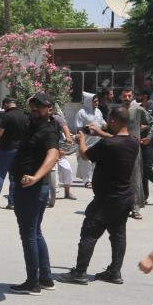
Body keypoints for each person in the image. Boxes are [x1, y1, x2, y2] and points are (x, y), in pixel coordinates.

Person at [60, 106, 139, 285]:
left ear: (112, 121)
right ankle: (115, 272)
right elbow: (118, 139)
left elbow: (85, 155)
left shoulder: (108, 144)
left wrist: (82, 139)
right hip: (125, 197)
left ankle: (79, 272)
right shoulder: (133, 142)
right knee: (118, 234)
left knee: (89, 233)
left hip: (106, 199)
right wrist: (99, 133)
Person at [9, 93, 60, 295]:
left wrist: (36, 177)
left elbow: (53, 155)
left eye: (40, 106)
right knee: (35, 232)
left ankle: (33, 282)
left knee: (28, 234)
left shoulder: (48, 131)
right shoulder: (33, 125)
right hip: (29, 188)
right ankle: (45, 278)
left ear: (50, 110)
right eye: (33, 106)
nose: (35, 109)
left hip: (32, 189)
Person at [0, 96, 28, 209]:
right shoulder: (24, 116)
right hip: (19, 150)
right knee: (14, 177)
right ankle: (12, 202)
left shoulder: (6, 116)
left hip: (6, 150)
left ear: (6, 104)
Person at [119, 88, 153, 219]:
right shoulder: (118, 111)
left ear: (132, 96)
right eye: (125, 95)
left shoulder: (138, 109)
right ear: (121, 96)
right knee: (120, 178)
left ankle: (135, 208)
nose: (127, 98)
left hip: (134, 149)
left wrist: (148, 137)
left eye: (129, 95)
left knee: (135, 178)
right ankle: (121, 207)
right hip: (119, 149)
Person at [73, 94, 107, 187]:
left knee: (95, 162)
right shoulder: (81, 112)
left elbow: (103, 123)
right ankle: (87, 181)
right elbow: (78, 127)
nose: (97, 103)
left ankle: (93, 179)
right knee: (86, 161)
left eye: (97, 101)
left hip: (97, 140)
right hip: (86, 141)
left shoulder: (98, 111)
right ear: (88, 101)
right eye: (94, 101)